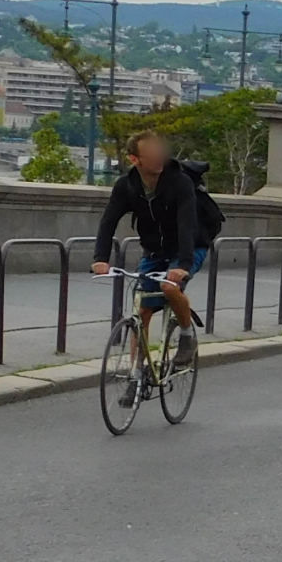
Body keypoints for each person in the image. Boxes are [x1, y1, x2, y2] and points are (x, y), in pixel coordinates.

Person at [90, 130, 209, 397]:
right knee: (141, 311)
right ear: (135, 159)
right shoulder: (126, 186)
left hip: (189, 247)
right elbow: (108, 221)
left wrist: (183, 266)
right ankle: (136, 375)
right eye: (152, 153)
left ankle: (187, 335)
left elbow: (188, 225)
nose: (159, 157)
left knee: (169, 287)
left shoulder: (179, 182)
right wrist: (100, 259)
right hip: (154, 251)